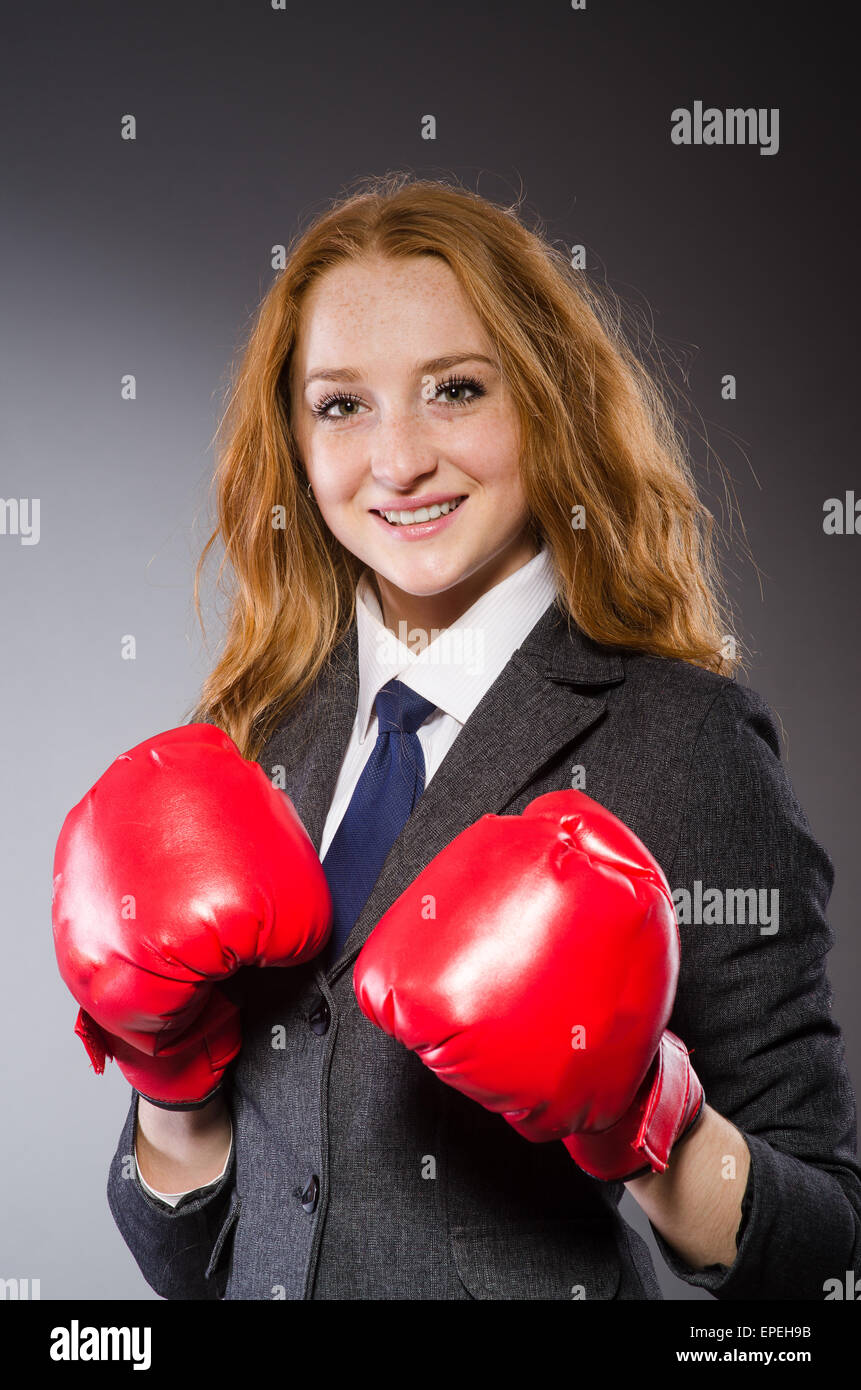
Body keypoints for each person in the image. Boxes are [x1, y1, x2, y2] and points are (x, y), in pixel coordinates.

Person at [53, 173, 861, 1300]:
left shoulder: (681, 736)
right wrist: (167, 1078)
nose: (398, 461)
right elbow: (204, 1265)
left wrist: (646, 1118)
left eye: (456, 390)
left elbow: (828, 1256)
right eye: (342, 404)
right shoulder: (257, 730)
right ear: (294, 436)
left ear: (547, 399)